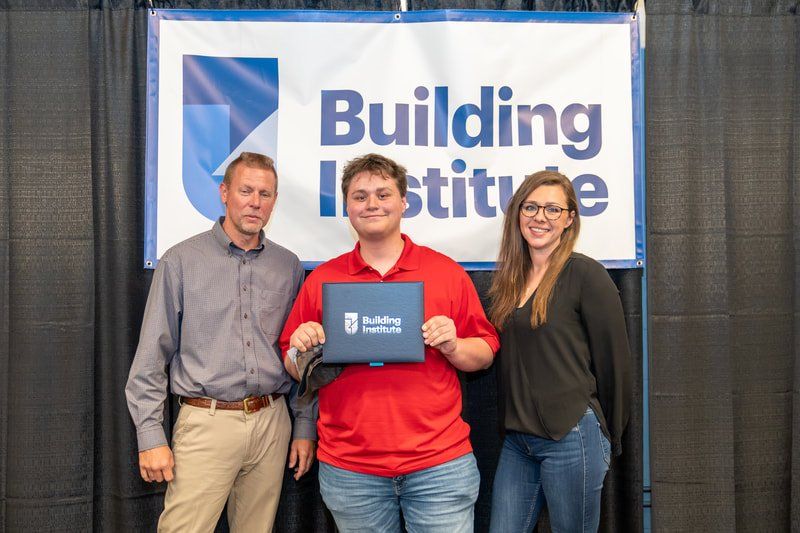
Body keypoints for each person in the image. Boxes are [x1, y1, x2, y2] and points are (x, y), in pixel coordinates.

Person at [280, 153, 500, 533]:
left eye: (383, 194)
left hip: (439, 466)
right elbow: (292, 362)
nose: (372, 204)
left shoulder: (446, 272)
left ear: (404, 202)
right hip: (351, 471)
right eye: (360, 196)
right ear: (347, 207)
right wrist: (300, 349)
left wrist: (453, 346)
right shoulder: (322, 280)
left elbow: (485, 353)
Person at [125, 152, 316, 533]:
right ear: (224, 193)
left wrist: (304, 426)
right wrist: (150, 437)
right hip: (206, 422)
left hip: (272, 421)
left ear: (274, 201)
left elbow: (300, 356)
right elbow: (150, 358)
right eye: (246, 191)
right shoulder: (180, 261)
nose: (255, 202)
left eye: (265, 194)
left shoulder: (288, 266)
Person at [487, 170, 632, 533]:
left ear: (569, 219)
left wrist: (609, 436)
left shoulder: (586, 275)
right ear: (518, 212)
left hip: (571, 436)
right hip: (518, 442)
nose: (540, 217)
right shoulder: (510, 279)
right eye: (531, 207)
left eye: (553, 209)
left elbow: (615, 364)